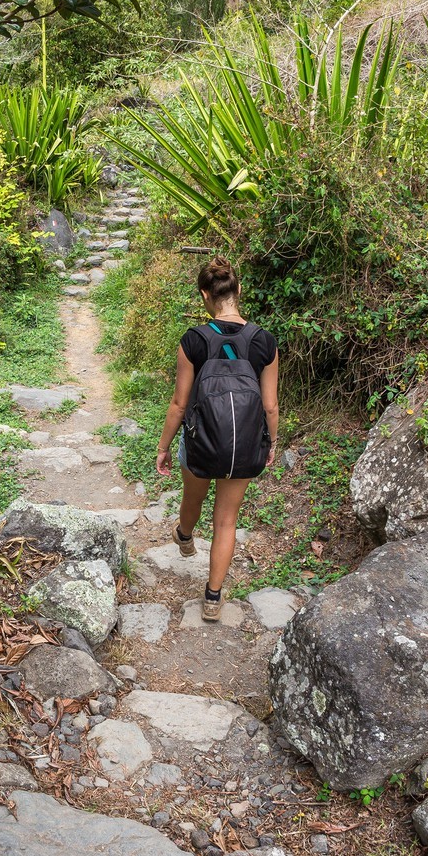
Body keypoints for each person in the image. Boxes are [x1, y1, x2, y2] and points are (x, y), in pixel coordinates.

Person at [156, 258, 279, 620]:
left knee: (193, 499)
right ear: (238, 291)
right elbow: (270, 406)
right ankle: (212, 598)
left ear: (204, 296)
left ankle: (184, 533)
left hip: (200, 443)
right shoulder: (263, 342)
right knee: (226, 520)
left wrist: (163, 448)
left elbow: (179, 405)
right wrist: (270, 443)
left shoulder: (194, 340)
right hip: (243, 446)